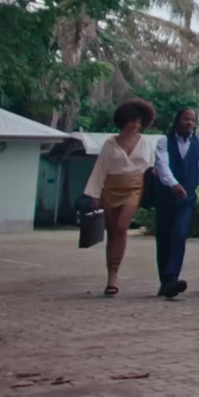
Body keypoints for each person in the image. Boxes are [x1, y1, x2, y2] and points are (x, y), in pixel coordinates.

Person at [84, 98, 158, 296]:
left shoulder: (145, 142)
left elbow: (151, 167)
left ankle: (115, 272)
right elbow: (100, 169)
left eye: (139, 121)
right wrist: (94, 193)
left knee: (121, 226)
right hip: (111, 188)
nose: (136, 124)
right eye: (132, 120)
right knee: (112, 232)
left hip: (134, 188)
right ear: (123, 121)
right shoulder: (110, 143)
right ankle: (112, 276)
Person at [152, 106, 199, 299]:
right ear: (178, 120)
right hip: (166, 197)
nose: (190, 123)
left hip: (187, 199)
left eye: (193, 120)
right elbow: (162, 166)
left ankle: (172, 276)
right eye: (186, 119)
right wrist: (173, 184)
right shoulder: (163, 142)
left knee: (180, 233)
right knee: (164, 237)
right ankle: (165, 282)